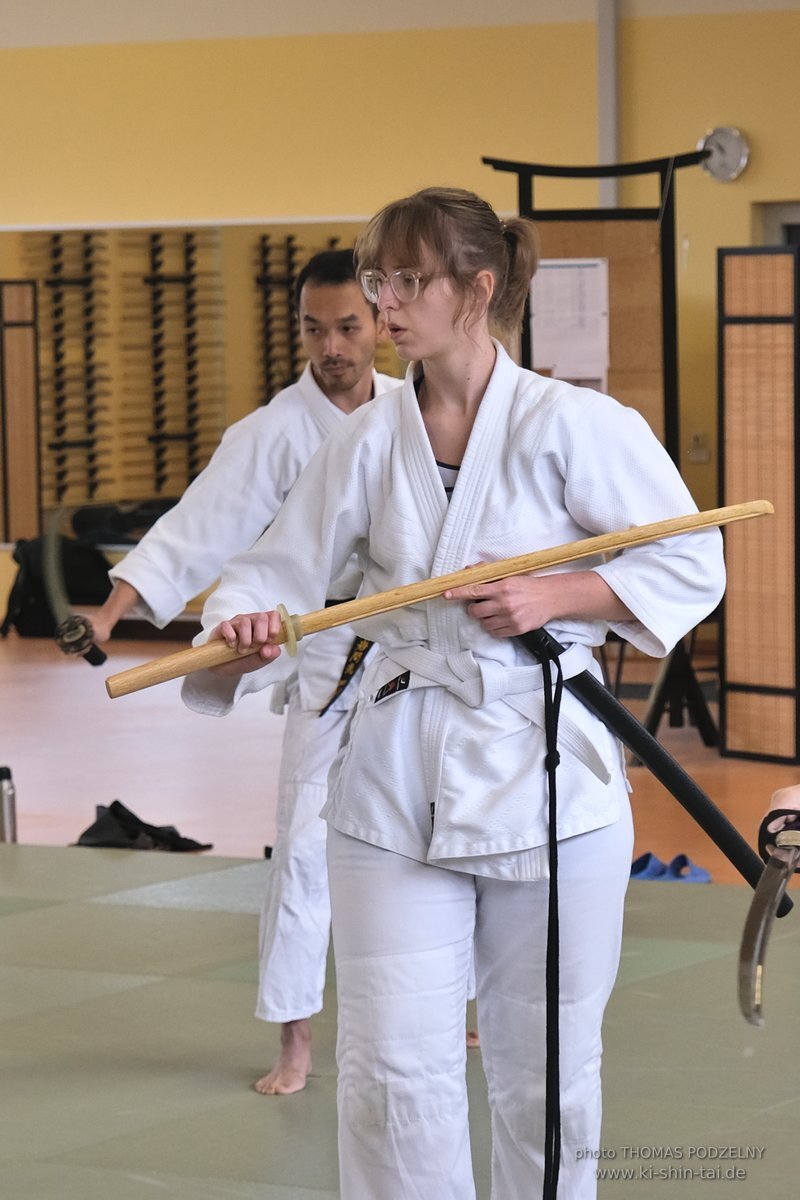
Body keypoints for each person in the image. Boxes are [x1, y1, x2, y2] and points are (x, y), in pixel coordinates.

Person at [182, 187, 726, 1199]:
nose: (384, 303)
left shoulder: (579, 425)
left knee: (546, 1078)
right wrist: (245, 630)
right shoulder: (364, 440)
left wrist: (553, 592)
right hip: (389, 781)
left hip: (546, 779)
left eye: (405, 281)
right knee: (390, 1075)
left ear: (477, 289)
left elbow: (690, 564)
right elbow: (275, 574)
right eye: (376, 279)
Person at [92, 248, 399, 1095]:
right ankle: (296, 1039)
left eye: (347, 326)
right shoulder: (269, 432)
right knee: (304, 847)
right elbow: (200, 525)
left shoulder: (420, 411)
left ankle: (466, 1004)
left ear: (380, 322)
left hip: (416, 650)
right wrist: (114, 613)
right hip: (324, 651)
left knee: (440, 834)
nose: (331, 345)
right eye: (314, 328)